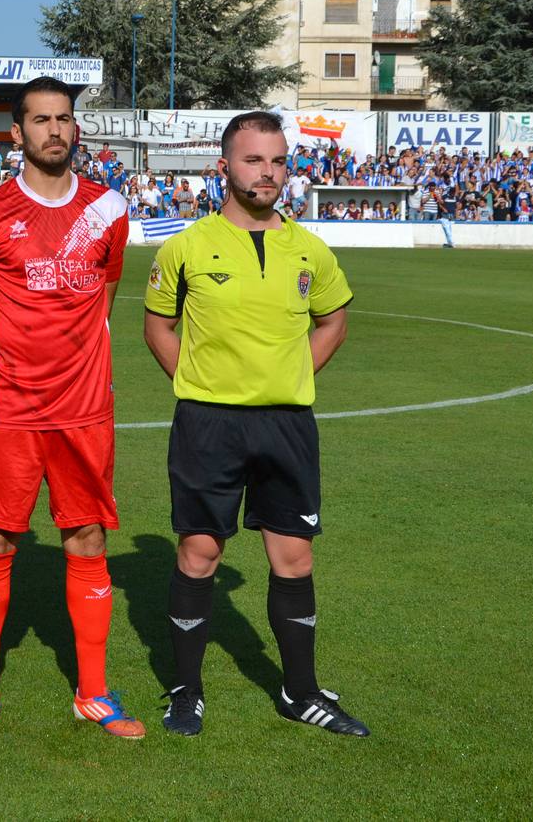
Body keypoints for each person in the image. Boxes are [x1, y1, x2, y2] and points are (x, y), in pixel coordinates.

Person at [142, 111, 367, 738]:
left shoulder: (310, 250)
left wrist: (294, 378)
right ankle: (185, 692)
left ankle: (300, 694)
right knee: (199, 551)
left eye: (275, 161)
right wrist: (196, 385)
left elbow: (333, 321)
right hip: (207, 423)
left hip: (287, 426)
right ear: (224, 168)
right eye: (252, 160)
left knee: (293, 558)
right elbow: (157, 325)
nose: (266, 173)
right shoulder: (185, 247)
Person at [0, 76, 143, 739]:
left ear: (73, 128)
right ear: (16, 133)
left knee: (87, 538)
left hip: (86, 409)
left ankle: (93, 692)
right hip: (11, 409)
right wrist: (14, 371)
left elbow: (105, 298)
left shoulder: (110, 209)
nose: (54, 130)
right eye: (41, 120)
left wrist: (73, 366)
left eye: (64, 119)